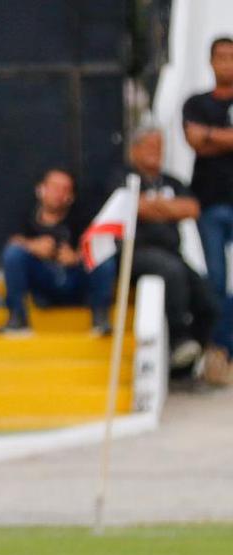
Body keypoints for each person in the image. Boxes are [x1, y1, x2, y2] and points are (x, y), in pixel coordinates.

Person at [100, 127, 218, 374]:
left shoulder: (171, 180)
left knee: (209, 300)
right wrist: (166, 207)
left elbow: (191, 208)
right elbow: (131, 206)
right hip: (134, 254)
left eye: (160, 147)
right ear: (134, 150)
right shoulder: (121, 176)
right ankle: (178, 337)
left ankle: (184, 364)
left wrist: (151, 205)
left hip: (172, 252)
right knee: (171, 270)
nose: (157, 152)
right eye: (150, 146)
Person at [0, 168, 116, 336]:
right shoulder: (24, 214)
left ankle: (101, 318)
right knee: (14, 254)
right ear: (41, 189)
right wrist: (33, 246)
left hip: (76, 283)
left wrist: (76, 257)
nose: (59, 193)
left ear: (71, 196)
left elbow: (103, 243)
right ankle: (17, 318)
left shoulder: (82, 216)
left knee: (103, 259)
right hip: (44, 286)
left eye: (65, 189)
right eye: (54, 187)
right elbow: (10, 241)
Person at [183, 36, 233, 385]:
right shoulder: (196, 102)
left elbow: (205, 139)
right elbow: (194, 139)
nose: (226, 62)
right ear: (210, 61)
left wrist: (213, 138)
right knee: (215, 279)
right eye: (221, 56)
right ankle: (219, 349)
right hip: (211, 203)